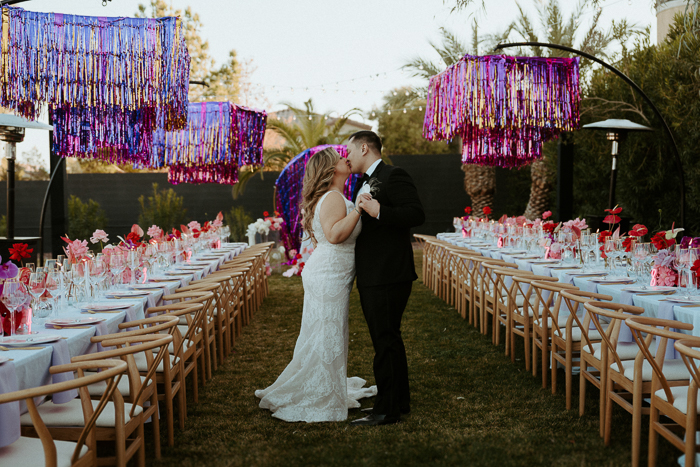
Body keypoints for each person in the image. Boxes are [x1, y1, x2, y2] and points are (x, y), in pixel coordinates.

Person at [255, 147, 377, 422]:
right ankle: (322, 393)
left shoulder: (335, 195)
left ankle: (326, 384)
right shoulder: (334, 197)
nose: (346, 157)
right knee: (327, 333)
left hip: (332, 273)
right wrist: (358, 209)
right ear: (331, 169)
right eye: (339, 157)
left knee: (326, 332)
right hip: (329, 274)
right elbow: (334, 235)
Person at [346, 130, 425, 426]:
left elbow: (416, 214)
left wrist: (380, 212)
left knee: (385, 341)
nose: (347, 156)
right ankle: (398, 402)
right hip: (375, 273)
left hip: (388, 273)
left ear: (364, 148)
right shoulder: (364, 181)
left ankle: (386, 410)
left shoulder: (394, 175)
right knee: (389, 338)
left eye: (350, 150)